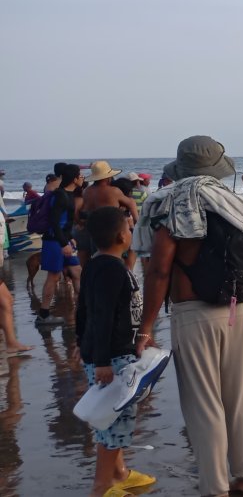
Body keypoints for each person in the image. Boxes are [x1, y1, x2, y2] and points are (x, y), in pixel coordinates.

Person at [135, 136, 243, 496]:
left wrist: (145, 329)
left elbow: (158, 270)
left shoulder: (170, 205)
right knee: (237, 399)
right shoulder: (236, 204)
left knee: (203, 404)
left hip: (194, 314)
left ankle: (215, 487)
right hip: (238, 309)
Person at [76, 206, 154, 497]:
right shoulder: (110, 269)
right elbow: (101, 314)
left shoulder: (97, 264)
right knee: (115, 422)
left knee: (107, 418)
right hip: (113, 358)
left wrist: (82, 343)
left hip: (107, 352)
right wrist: (102, 360)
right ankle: (101, 486)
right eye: (130, 229)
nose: (132, 233)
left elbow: (83, 311)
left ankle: (120, 473)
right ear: (122, 235)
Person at [38, 162, 84, 325]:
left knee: (77, 271)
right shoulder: (61, 196)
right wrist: (63, 242)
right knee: (53, 276)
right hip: (54, 242)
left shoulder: (68, 195)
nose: (82, 178)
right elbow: (54, 222)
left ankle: (84, 309)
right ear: (74, 178)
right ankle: (43, 314)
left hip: (64, 240)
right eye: (80, 175)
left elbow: (65, 222)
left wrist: (69, 237)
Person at [78, 161, 141, 270]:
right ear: (108, 177)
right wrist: (136, 222)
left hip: (93, 231)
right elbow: (131, 202)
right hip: (112, 230)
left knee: (99, 259)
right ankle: (127, 275)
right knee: (120, 259)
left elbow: (82, 211)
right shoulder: (113, 191)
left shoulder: (87, 191)